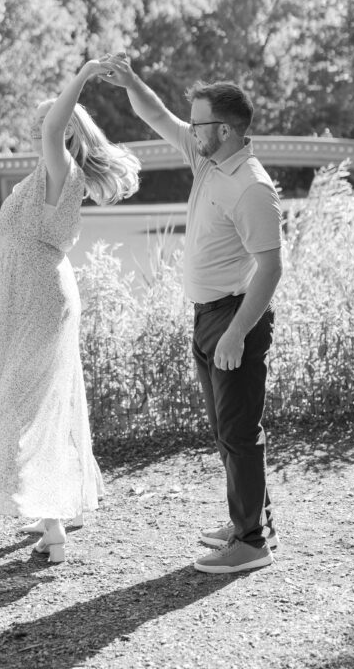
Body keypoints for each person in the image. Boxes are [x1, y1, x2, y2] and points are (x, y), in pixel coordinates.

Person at [0, 60, 140, 564]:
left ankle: (54, 527)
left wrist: (83, 73)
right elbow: (18, 243)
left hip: (42, 296)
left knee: (32, 401)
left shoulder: (62, 170)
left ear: (63, 130)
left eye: (45, 124)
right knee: (32, 397)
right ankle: (57, 504)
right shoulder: (38, 178)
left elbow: (58, 124)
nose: (38, 130)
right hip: (22, 289)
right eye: (38, 125)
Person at [101, 53, 282, 574]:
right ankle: (253, 519)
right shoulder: (207, 157)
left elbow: (270, 270)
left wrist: (236, 334)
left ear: (224, 129)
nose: (189, 129)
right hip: (207, 315)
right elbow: (156, 115)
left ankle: (251, 543)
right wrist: (132, 81)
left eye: (198, 122)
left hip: (233, 317)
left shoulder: (251, 186)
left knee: (240, 431)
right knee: (228, 431)